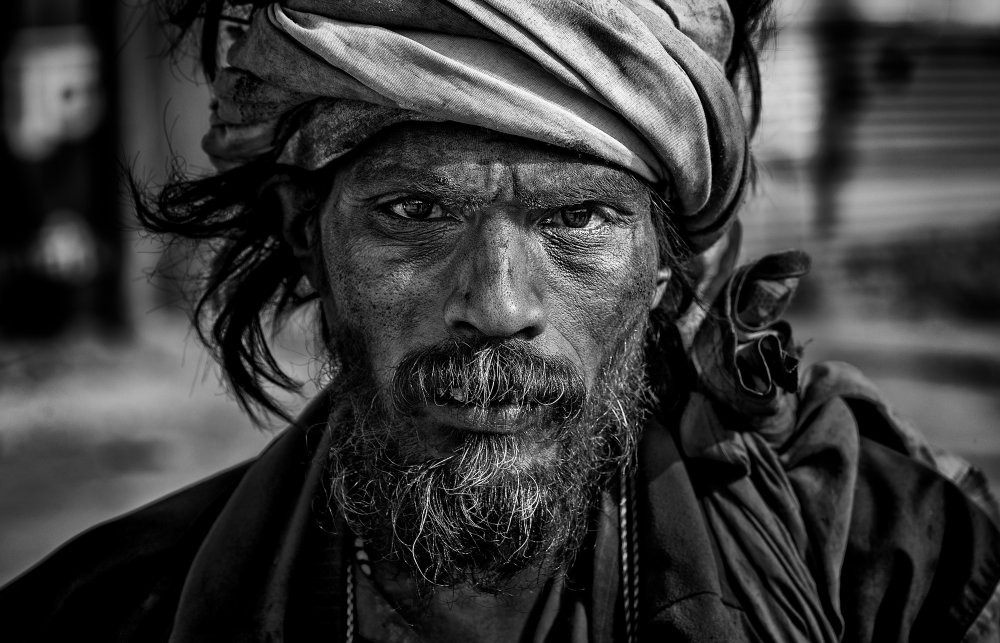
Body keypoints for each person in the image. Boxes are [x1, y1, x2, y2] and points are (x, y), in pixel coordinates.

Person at [2, 1, 998, 641]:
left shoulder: (901, 570)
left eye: (576, 219)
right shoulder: (103, 611)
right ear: (311, 241)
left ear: (663, 265)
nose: (497, 305)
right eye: (414, 212)